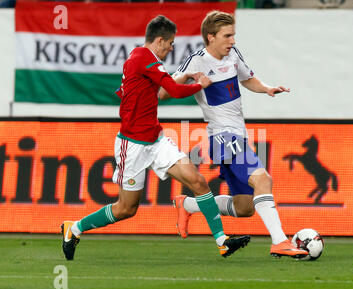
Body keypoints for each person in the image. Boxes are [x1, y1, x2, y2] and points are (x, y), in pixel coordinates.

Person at [61, 15, 250, 261]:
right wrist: (200, 84)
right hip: (133, 145)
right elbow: (172, 90)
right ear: (159, 40)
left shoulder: (138, 59)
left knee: (198, 181)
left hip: (157, 140)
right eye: (170, 43)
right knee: (126, 209)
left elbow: (135, 91)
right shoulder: (144, 57)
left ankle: (222, 241)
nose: (171, 48)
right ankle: (74, 228)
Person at [159, 11, 308, 258]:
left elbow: (248, 79)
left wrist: (267, 89)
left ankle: (186, 205)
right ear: (211, 37)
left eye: (233, 35)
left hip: (238, 136)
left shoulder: (233, 55)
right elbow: (164, 93)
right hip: (223, 137)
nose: (232, 41)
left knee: (245, 207)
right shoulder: (196, 61)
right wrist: (186, 77)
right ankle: (280, 242)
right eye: (227, 36)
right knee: (263, 180)